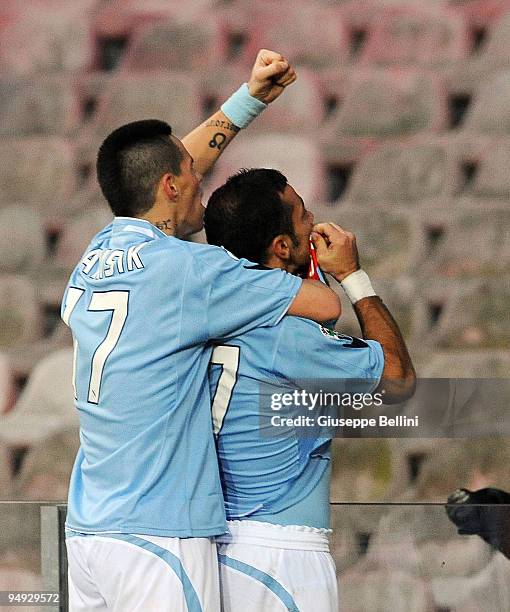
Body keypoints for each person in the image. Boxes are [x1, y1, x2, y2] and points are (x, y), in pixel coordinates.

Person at [61, 51, 342, 612]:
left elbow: (154, 171)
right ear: (171, 185)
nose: (201, 181)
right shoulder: (191, 271)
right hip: (159, 531)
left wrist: (250, 98)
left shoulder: (95, 254)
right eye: (193, 176)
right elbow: (324, 307)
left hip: (90, 531)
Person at [203, 168, 416, 612]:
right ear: (281, 247)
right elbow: (398, 382)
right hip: (280, 551)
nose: (314, 220)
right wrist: (354, 276)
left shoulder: (207, 316)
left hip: (215, 545)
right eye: (303, 216)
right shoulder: (288, 334)